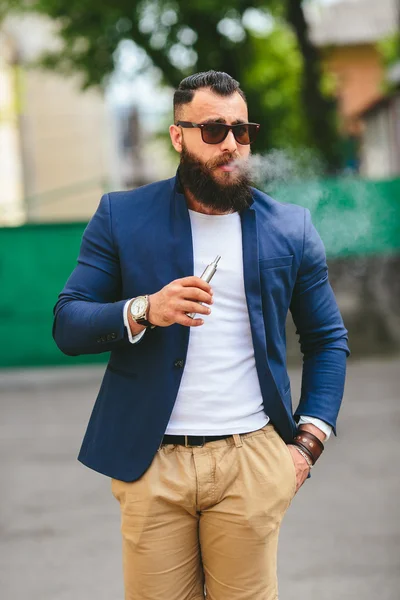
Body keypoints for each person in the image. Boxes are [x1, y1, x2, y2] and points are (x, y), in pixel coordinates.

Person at [53, 70, 349, 600]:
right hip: (153, 462)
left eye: (241, 129)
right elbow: (69, 324)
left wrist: (307, 445)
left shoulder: (290, 227)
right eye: (213, 130)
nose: (231, 143)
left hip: (251, 458)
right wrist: (146, 309)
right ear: (178, 136)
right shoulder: (122, 216)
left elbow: (327, 340)